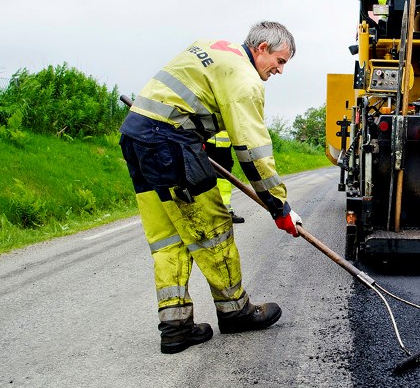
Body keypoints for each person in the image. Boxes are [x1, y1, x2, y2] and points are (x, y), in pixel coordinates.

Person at [118, 21, 302, 354]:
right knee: (213, 229)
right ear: (261, 48)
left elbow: (184, 97)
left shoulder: (214, 47)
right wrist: (279, 206)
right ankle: (235, 311)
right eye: (280, 60)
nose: (280, 69)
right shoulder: (244, 78)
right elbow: (253, 150)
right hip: (168, 145)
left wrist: (193, 132)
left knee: (168, 239)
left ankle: (175, 327)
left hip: (136, 136)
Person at [205, 130, 244, 224]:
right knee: (206, 181)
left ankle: (226, 212)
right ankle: (209, 214)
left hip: (224, 148)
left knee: (224, 183)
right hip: (207, 145)